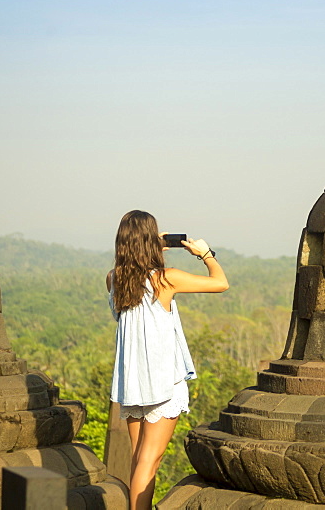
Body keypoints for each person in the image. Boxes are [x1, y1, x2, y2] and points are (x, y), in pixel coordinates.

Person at [107, 210, 229, 510]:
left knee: (139, 459)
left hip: (133, 383)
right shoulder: (165, 279)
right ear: (151, 240)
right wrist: (206, 254)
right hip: (162, 381)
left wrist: (150, 247)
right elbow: (220, 283)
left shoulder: (114, 280)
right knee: (150, 463)